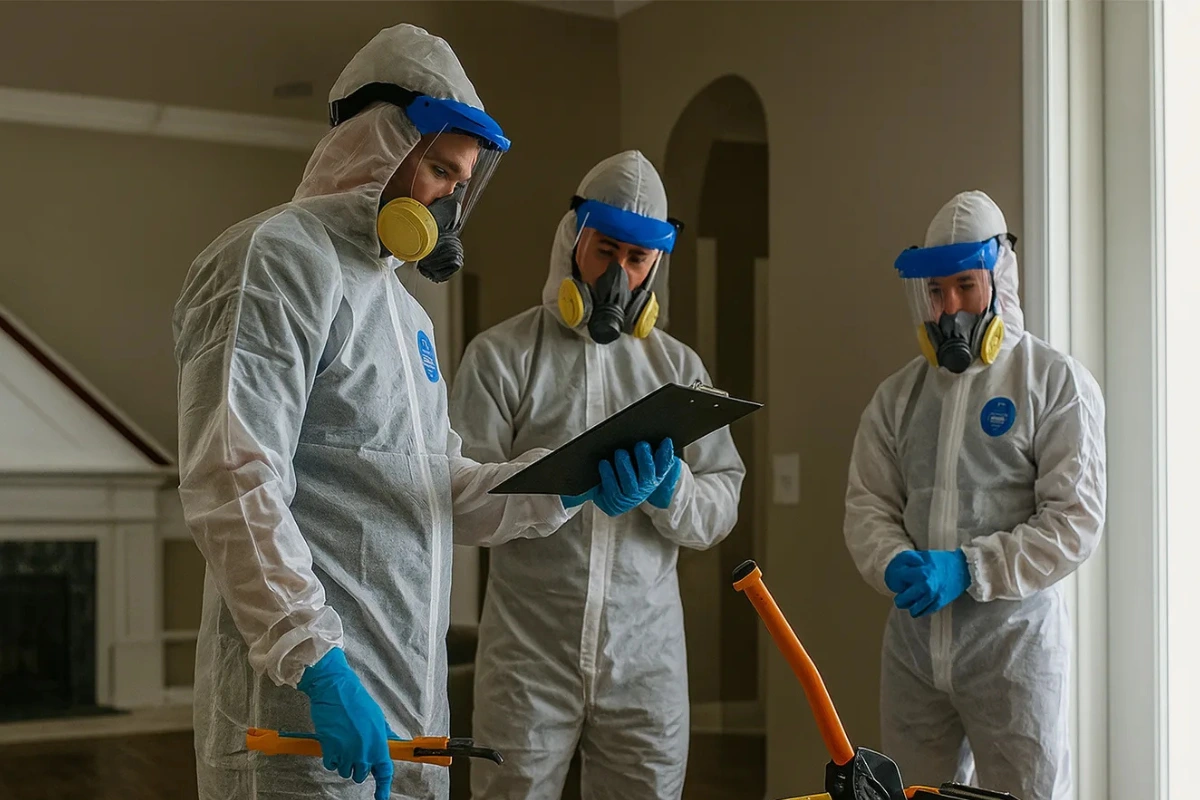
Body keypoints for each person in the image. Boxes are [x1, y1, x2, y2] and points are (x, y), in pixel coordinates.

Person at [174, 26, 669, 800]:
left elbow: (440, 489)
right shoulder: (275, 260)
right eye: (439, 169)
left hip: (411, 713)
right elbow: (233, 479)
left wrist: (571, 481)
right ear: (376, 142)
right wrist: (316, 662)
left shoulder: (406, 314)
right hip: (303, 715)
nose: (450, 201)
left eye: (461, 182)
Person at [449, 150, 746, 800]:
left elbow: (720, 504)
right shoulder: (502, 356)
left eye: (637, 259)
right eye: (605, 250)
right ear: (573, 240)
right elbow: (461, 508)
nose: (619, 273)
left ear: (655, 266)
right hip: (528, 653)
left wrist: (672, 490)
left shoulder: (679, 371)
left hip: (646, 657)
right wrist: (557, 485)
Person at [843, 190, 1106, 800]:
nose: (949, 308)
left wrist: (970, 567)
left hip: (1013, 655)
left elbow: (1074, 519)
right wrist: (890, 559)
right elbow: (868, 505)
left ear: (999, 278)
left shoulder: (1053, 382)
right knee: (911, 795)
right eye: (937, 291)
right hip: (913, 656)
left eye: (965, 285)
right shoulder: (899, 397)